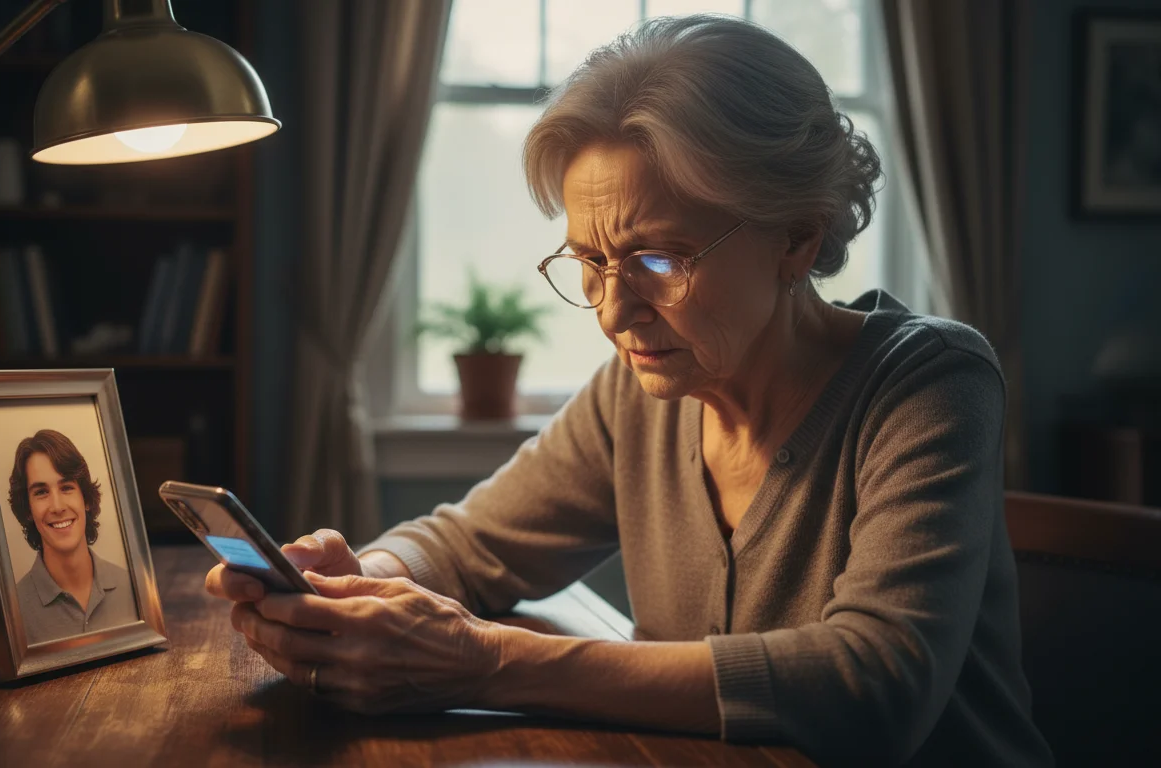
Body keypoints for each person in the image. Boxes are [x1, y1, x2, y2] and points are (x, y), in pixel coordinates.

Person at [206, 15, 1053, 766]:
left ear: (798, 239)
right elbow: (467, 546)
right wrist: (354, 586)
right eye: (590, 262)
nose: (613, 312)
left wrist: (489, 662)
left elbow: (875, 687)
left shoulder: (930, 381)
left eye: (658, 261)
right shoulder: (640, 393)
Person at [9, 429, 138, 645]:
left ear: (85, 499)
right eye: (41, 492)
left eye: (67, 487)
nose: (57, 507)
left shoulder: (133, 587)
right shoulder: (13, 609)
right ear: (28, 510)